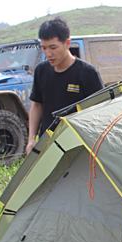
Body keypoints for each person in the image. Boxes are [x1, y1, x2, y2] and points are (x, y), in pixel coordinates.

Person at [25, 17, 104, 156]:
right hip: (47, 143)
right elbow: (37, 105)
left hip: (78, 145)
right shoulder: (41, 71)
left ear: (67, 43)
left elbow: (100, 113)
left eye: (53, 47)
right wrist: (31, 138)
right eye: (44, 48)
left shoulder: (87, 73)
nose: (48, 53)